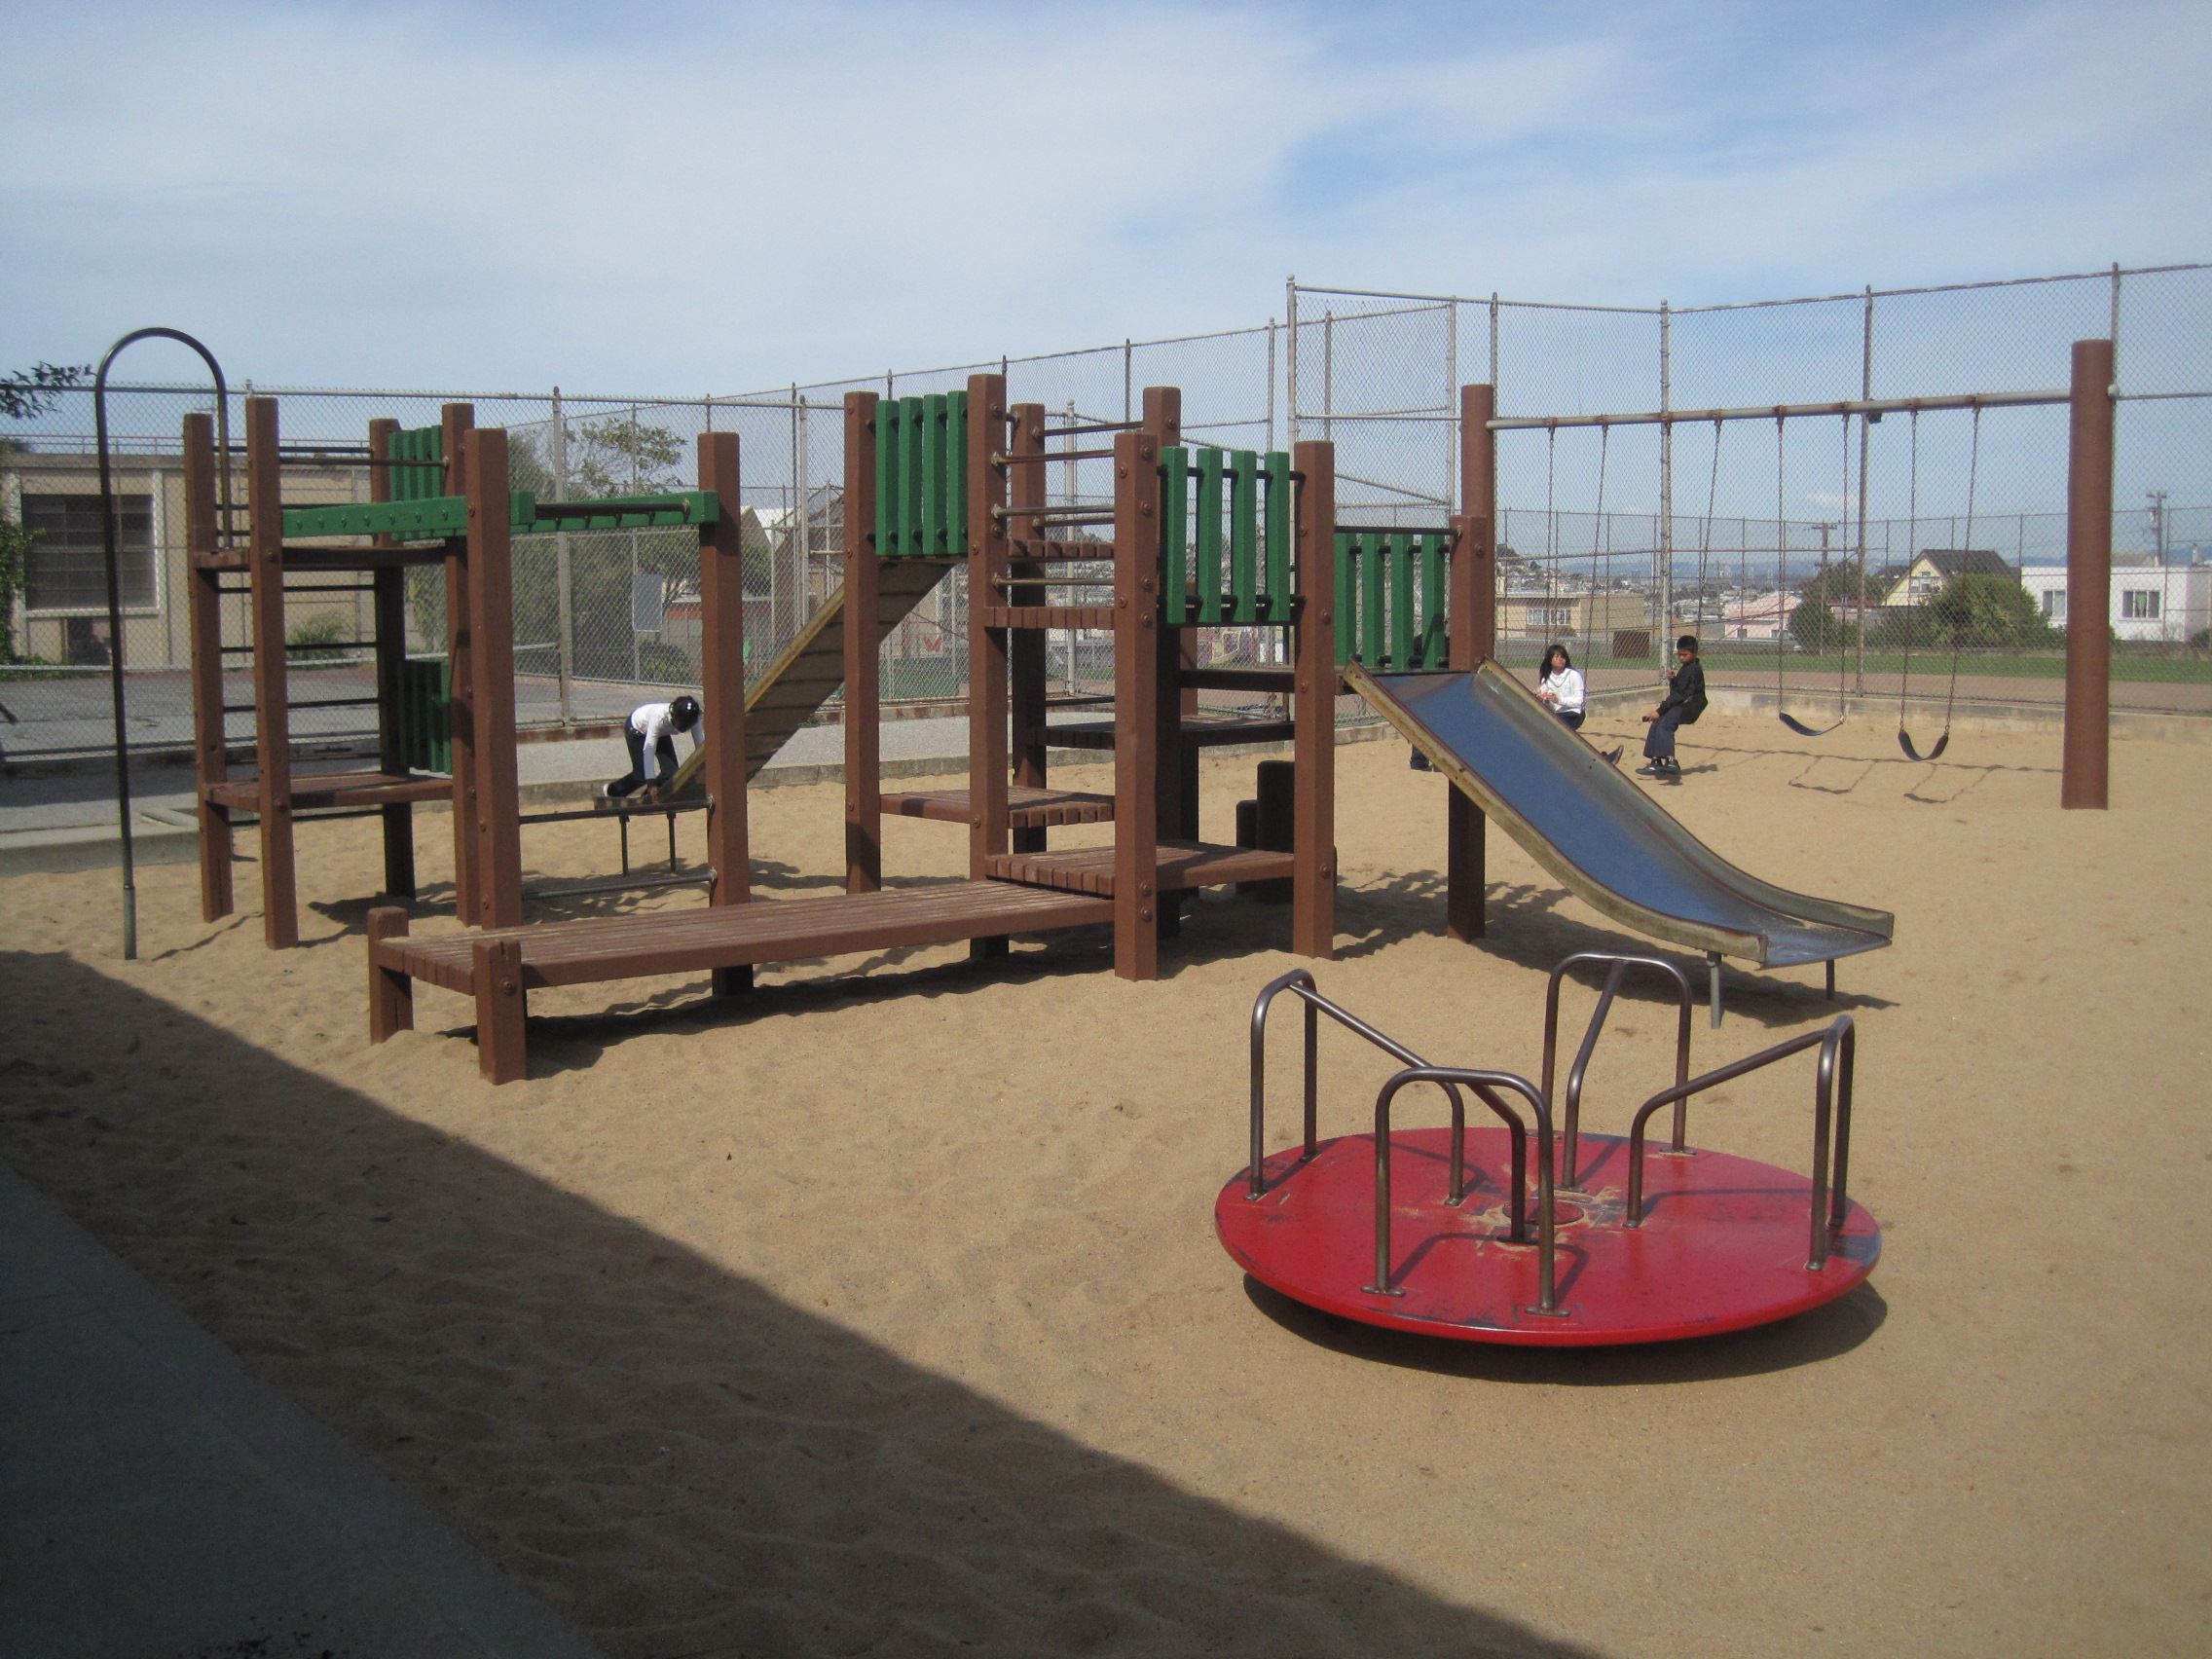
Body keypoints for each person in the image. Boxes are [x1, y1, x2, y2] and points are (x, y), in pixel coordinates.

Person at [603, 694, 702, 801]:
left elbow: (700, 746)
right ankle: (612, 790)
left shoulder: (693, 718)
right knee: (641, 776)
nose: (685, 728)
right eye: (682, 724)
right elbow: (649, 749)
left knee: (671, 773)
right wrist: (651, 783)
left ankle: (646, 798)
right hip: (636, 729)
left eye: (687, 725)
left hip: (661, 733)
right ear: (675, 716)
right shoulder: (659, 717)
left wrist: (701, 770)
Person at [1639, 636, 1708, 782]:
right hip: (1683, 703)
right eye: (1680, 654)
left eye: (1685, 654)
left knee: (1665, 725)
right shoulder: (1687, 668)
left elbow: (1680, 694)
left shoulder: (1693, 669)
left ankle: (1670, 760)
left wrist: (1659, 710)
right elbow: (1680, 689)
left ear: (1694, 653)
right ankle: (1656, 761)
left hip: (1690, 706)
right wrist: (1673, 680)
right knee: (1657, 723)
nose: (1681, 657)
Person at [1533, 644, 1587, 730]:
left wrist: (1559, 700)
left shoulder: (1573, 675)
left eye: (1563, 657)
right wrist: (1541, 698)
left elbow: (1579, 701)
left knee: (1556, 727)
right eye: (1557, 657)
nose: (1560, 659)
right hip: (1555, 713)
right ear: (1550, 659)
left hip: (1573, 712)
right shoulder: (1546, 677)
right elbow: (1545, 699)